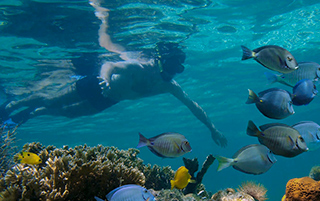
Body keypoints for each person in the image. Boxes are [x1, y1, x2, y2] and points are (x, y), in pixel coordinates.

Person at [0, 1, 227, 147]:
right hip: (97, 85)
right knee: (51, 98)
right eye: (169, 68)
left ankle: (33, 114)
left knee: (69, 115)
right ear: (159, 62)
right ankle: (12, 106)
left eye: (176, 70)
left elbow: (193, 105)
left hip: (110, 100)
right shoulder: (140, 67)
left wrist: (212, 129)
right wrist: (105, 81)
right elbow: (109, 66)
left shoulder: (169, 85)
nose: (172, 73)